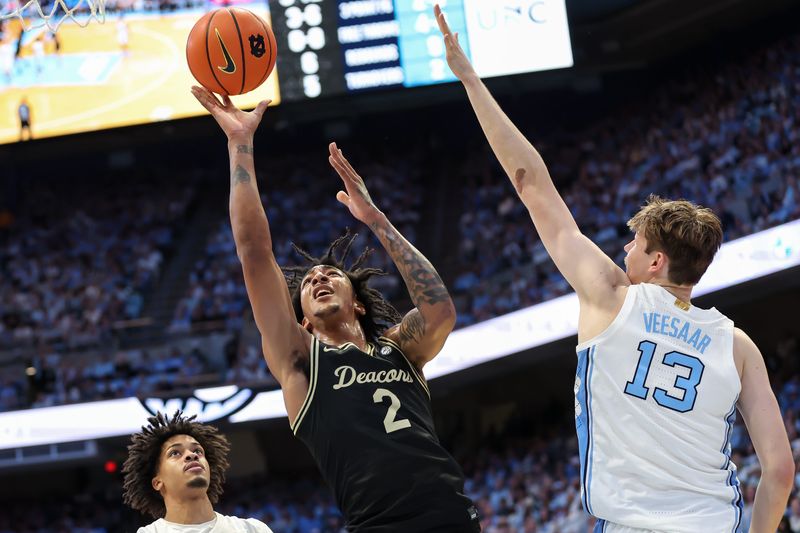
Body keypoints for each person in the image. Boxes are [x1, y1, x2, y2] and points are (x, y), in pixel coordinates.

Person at [433, 4, 795, 533]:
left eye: (633, 243)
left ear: (656, 260)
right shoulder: (737, 345)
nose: (622, 251)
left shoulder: (610, 295)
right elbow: (780, 472)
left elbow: (530, 182)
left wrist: (469, 80)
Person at [190, 85, 480, 532]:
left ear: (358, 305)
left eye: (330, 276)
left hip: (452, 516)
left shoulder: (401, 348)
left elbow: (439, 310)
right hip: (378, 524)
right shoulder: (301, 360)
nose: (319, 278)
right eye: (308, 282)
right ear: (303, 319)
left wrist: (375, 220)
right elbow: (252, 251)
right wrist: (240, 145)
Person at [122, 411, 274, 532]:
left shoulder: (253, 530)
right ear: (157, 482)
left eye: (198, 451)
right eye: (175, 453)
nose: (192, 455)